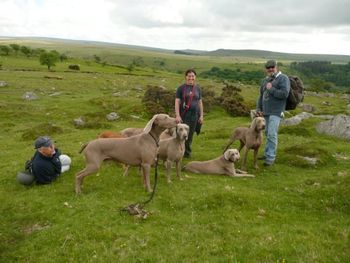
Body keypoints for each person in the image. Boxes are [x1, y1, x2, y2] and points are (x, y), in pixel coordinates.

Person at [256, 60, 290, 166]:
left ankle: (270, 158)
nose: (270, 69)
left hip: (276, 111)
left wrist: (271, 89)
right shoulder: (265, 80)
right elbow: (261, 95)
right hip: (265, 112)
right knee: (267, 133)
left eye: (272, 67)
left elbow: (284, 94)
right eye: (268, 67)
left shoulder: (283, 78)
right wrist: (258, 108)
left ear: (276, 67)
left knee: (271, 134)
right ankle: (267, 154)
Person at [175, 69, 204, 158]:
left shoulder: (198, 88)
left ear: (195, 77)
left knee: (190, 134)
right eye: (189, 76)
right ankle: (178, 152)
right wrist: (177, 115)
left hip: (195, 115)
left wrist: (202, 115)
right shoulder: (181, 88)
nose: (191, 78)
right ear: (186, 77)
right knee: (182, 135)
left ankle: (187, 153)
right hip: (184, 115)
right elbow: (177, 102)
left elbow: (200, 102)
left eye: (192, 76)